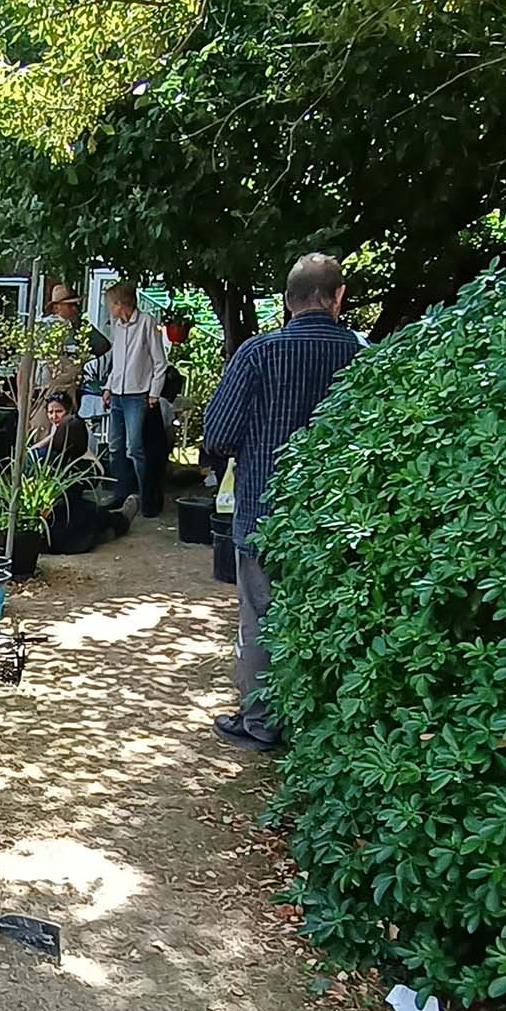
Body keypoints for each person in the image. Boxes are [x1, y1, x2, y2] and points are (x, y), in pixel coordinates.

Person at [203, 251, 362, 752]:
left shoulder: (258, 353)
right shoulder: (364, 356)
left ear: (287, 301)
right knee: (330, 617)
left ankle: (261, 723)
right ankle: (323, 728)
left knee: (260, 616)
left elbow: (218, 434)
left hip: (263, 510)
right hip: (341, 517)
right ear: (338, 297)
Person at [102, 280, 168, 511]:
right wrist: (109, 386)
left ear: (120, 304)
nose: (109, 307)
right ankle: (121, 493)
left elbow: (160, 361)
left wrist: (154, 392)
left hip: (137, 393)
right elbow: (116, 360)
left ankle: (144, 495)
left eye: (111, 303)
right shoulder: (117, 326)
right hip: (118, 392)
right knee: (114, 447)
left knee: (135, 447)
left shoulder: (147, 323)